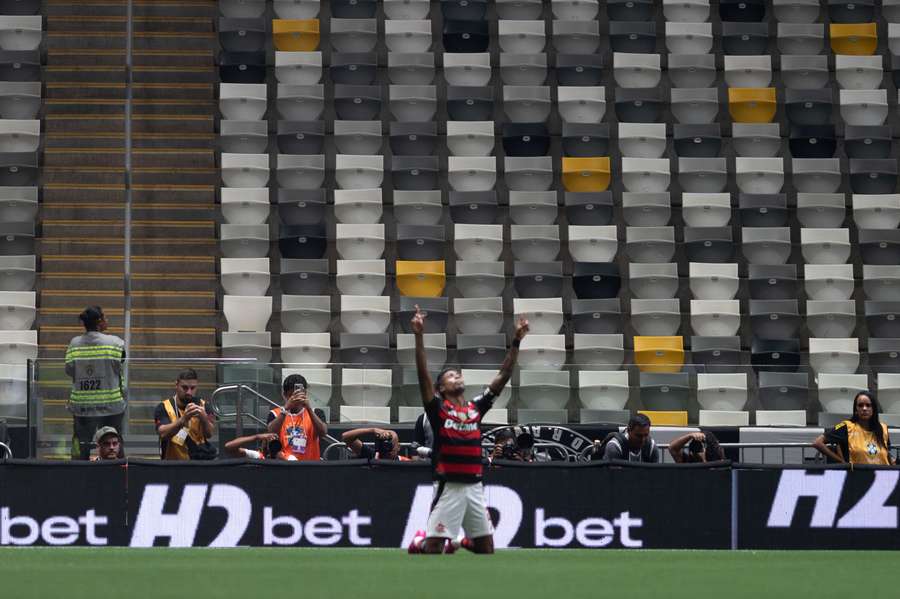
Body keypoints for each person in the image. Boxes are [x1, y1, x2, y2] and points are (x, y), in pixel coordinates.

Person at [408, 305, 529, 555]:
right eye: (451, 376)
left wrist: (516, 341)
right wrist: (418, 336)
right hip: (448, 486)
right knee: (433, 549)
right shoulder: (438, 410)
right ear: (441, 389)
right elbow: (422, 375)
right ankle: (420, 541)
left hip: (474, 486)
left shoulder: (476, 408)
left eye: (459, 375)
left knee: (486, 549)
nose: (458, 377)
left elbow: (503, 375)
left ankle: (461, 541)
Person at [65, 306, 126, 460]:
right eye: (105, 317)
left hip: (83, 407)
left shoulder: (74, 344)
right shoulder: (115, 343)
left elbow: (69, 370)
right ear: (99, 321)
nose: (107, 320)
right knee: (114, 445)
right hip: (110, 405)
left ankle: (77, 472)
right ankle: (119, 473)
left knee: (80, 448)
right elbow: (120, 363)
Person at [813, 391, 895, 465]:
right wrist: (841, 461)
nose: (864, 408)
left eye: (868, 405)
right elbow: (817, 443)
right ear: (856, 409)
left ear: (873, 409)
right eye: (860, 405)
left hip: (882, 475)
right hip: (856, 475)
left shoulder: (883, 428)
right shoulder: (846, 427)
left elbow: (887, 454)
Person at [154, 369, 216, 460]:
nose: (189, 392)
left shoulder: (204, 406)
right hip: (173, 463)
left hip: (199, 462)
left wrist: (204, 419)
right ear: (176, 385)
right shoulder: (164, 407)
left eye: (192, 388)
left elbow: (209, 434)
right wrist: (183, 419)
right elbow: (163, 433)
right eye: (184, 388)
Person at [267, 374, 328, 461]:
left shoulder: (316, 412)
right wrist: (286, 409)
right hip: (284, 463)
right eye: (292, 395)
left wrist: (309, 409)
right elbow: (271, 432)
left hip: (310, 464)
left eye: (298, 394)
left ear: (305, 393)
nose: (295, 398)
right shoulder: (275, 413)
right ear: (284, 395)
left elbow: (323, 433)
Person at [342, 427, 409, 460]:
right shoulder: (371, 455)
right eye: (383, 444)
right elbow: (345, 437)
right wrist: (372, 430)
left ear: (398, 447)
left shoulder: (405, 462)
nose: (387, 449)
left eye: (389, 445)